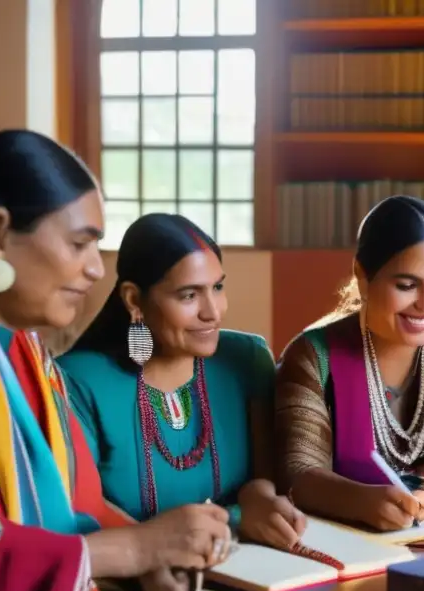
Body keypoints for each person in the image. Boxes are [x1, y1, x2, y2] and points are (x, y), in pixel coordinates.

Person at [0, 130, 230, 591]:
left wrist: (145, 566)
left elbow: (81, 507)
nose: (94, 270)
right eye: (80, 244)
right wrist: (132, 547)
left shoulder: (31, 357)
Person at [60, 213, 305, 550]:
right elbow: (81, 513)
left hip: (249, 563)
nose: (213, 312)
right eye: (189, 295)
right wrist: (235, 519)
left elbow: (262, 478)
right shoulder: (77, 382)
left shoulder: (247, 360)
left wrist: (261, 498)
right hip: (134, 580)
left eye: (217, 288)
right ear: (133, 300)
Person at [276, 195, 424, 531]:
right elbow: (299, 470)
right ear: (362, 276)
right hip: (344, 542)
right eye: (407, 285)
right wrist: (361, 501)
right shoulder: (312, 355)